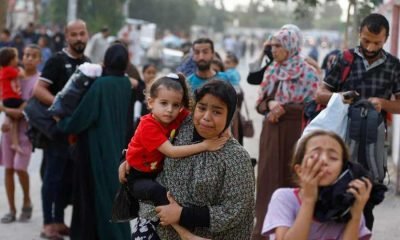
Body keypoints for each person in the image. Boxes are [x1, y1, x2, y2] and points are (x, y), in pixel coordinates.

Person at [123, 79, 255, 240]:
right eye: (202, 108)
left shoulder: (236, 158)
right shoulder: (181, 127)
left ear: (229, 117)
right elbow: (147, 136)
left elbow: (234, 210)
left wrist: (182, 214)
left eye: (217, 112)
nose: (206, 117)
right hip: (157, 223)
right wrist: (128, 158)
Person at [315, 13, 400, 230]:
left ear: (387, 38)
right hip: (340, 141)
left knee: (366, 205)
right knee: (334, 198)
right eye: (366, 41)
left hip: (372, 145)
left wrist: (383, 103)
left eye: (377, 42)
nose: (370, 47)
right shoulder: (344, 59)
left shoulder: (394, 66)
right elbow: (320, 94)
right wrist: (341, 97)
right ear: (359, 34)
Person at [57, 43, 132, 240]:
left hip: (95, 150)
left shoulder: (101, 85)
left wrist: (62, 122)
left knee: (93, 198)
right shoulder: (125, 84)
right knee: (112, 197)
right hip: (117, 150)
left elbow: (83, 117)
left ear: (107, 60)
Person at [252, 26, 319, 240]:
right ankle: (264, 231)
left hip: (297, 131)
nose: (274, 50)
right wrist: (271, 104)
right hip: (272, 131)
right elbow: (259, 102)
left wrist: (288, 109)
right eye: (272, 46)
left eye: (278, 46)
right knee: (268, 179)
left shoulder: (309, 72)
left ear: (291, 46)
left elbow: (316, 106)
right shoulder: (272, 70)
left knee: (294, 178)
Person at [33, 19, 90, 239]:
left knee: (68, 180)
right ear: (66, 36)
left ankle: (58, 221)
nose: (78, 38)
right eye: (74, 34)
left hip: (77, 136)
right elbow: (39, 90)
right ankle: (48, 223)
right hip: (57, 134)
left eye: (82, 34)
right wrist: (60, 105)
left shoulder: (88, 64)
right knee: (52, 178)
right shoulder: (57, 61)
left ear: (87, 35)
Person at [262, 130, 372, 240]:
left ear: (342, 170)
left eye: (333, 157)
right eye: (315, 155)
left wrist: (356, 215)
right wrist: (309, 200)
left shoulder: (347, 204)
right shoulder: (284, 198)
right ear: (299, 170)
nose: (324, 160)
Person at [0, 44, 41, 224]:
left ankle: (26, 200)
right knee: (8, 169)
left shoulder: (40, 80)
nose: (28, 58)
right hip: (9, 129)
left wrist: (19, 111)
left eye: (33, 56)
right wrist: (7, 110)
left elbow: (32, 102)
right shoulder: (12, 73)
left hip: (27, 131)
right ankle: (11, 209)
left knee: (20, 168)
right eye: (25, 55)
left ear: (39, 60)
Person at [0, 47, 26, 153]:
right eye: (16, 58)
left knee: (14, 122)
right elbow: (22, 75)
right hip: (11, 98)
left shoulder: (5, 70)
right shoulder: (9, 70)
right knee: (26, 103)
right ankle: (14, 142)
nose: (18, 60)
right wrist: (20, 68)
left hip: (8, 99)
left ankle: (14, 144)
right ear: (10, 60)